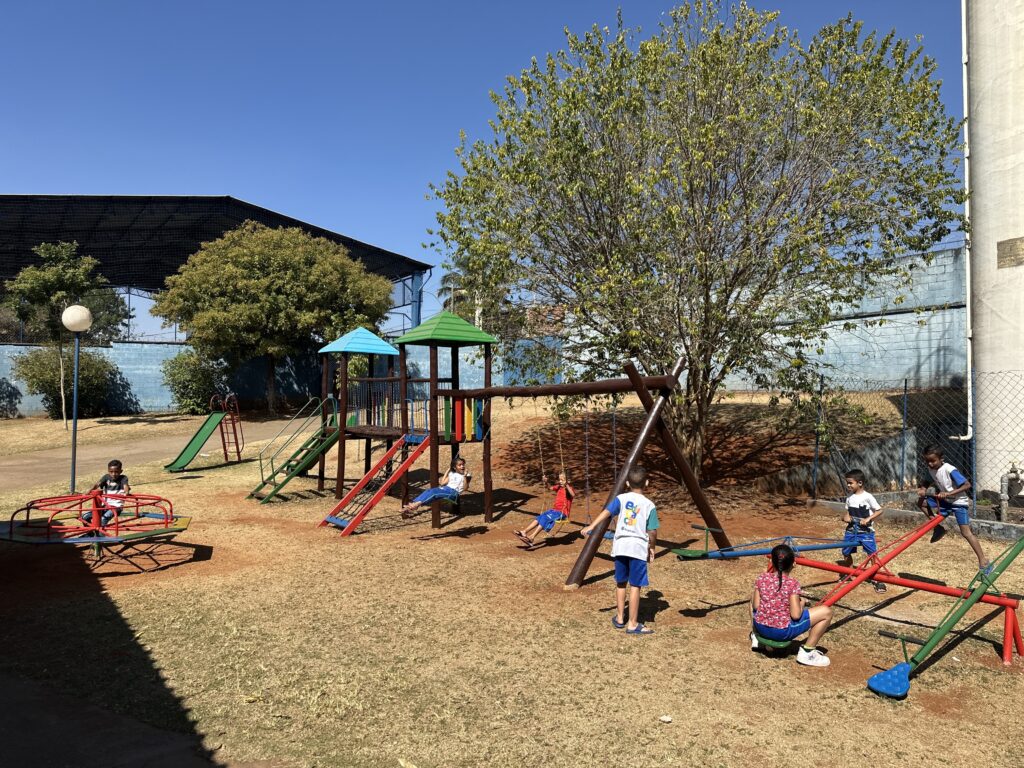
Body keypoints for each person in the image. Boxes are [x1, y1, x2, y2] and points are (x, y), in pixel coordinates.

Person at [580, 465, 658, 635]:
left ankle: (620, 617)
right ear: (647, 482)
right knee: (635, 585)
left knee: (621, 582)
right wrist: (652, 547)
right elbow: (652, 530)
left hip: (621, 546)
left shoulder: (621, 499)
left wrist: (591, 526)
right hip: (637, 548)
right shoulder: (649, 505)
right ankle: (632, 624)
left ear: (628, 483)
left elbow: (607, 512)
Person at [751, 543, 834, 667]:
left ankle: (756, 637)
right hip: (781, 632)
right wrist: (802, 603)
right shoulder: (792, 584)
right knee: (826, 612)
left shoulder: (762, 578)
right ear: (794, 564)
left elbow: (756, 606)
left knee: (752, 599)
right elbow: (795, 615)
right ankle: (807, 652)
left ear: (772, 562)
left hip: (761, 627)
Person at [916, 445, 991, 573]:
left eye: (933, 460)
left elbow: (967, 485)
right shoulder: (931, 469)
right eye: (927, 461)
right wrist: (922, 489)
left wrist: (950, 493)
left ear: (941, 459)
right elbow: (926, 482)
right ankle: (938, 527)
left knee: (966, 533)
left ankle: (983, 560)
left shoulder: (949, 469)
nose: (930, 463)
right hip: (945, 501)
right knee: (921, 503)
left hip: (958, 502)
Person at [838, 468, 886, 593]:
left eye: (850, 483)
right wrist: (846, 517)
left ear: (860, 483)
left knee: (872, 554)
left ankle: (877, 578)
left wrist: (868, 519)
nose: (848, 485)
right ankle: (849, 573)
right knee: (845, 551)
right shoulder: (849, 497)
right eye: (847, 483)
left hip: (865, 532)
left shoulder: (868, 497)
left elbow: (879, 510)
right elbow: (848, 511)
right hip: (851, 530)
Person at [514, 470, 575, 548]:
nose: (560, 481)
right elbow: (550, 487)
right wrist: (546, 482)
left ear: (568, 480)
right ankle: (524, 532)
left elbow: (572, 495)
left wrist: (566, 485)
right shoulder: (559, 487)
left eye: (562, 480)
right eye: (559, 479)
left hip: (562, 513)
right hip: (554, 511)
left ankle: (532, 537)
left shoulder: (569, 489)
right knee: (540, 517)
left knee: (545, 518)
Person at [400, 458, 469, 519]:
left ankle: (416, 505)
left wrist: (465, 476)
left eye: (463, 464)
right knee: (429, 491)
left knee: (434, 493)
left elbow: (465, 488)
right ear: (454, 467)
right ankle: (409, 507)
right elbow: (442, 483)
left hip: (453, 493)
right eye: (459, 465)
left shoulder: (465, 475)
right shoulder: (452, 474)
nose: (462, 466)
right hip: (445, 489)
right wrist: (447, 471)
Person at [83, 459, 131, 527]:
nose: (113, 474)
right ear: (108, 471)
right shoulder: (106, 477)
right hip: (105, 506)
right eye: (111, 472)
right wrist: (89, 491)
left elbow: (125, 486)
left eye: (116, 472)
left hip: (116, 506)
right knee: (85, 516)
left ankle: (100, 536)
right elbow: (97, 484)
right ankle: (90, 533)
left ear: (121, 471)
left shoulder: (123, 478)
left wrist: (126, 492)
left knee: (103, 519)